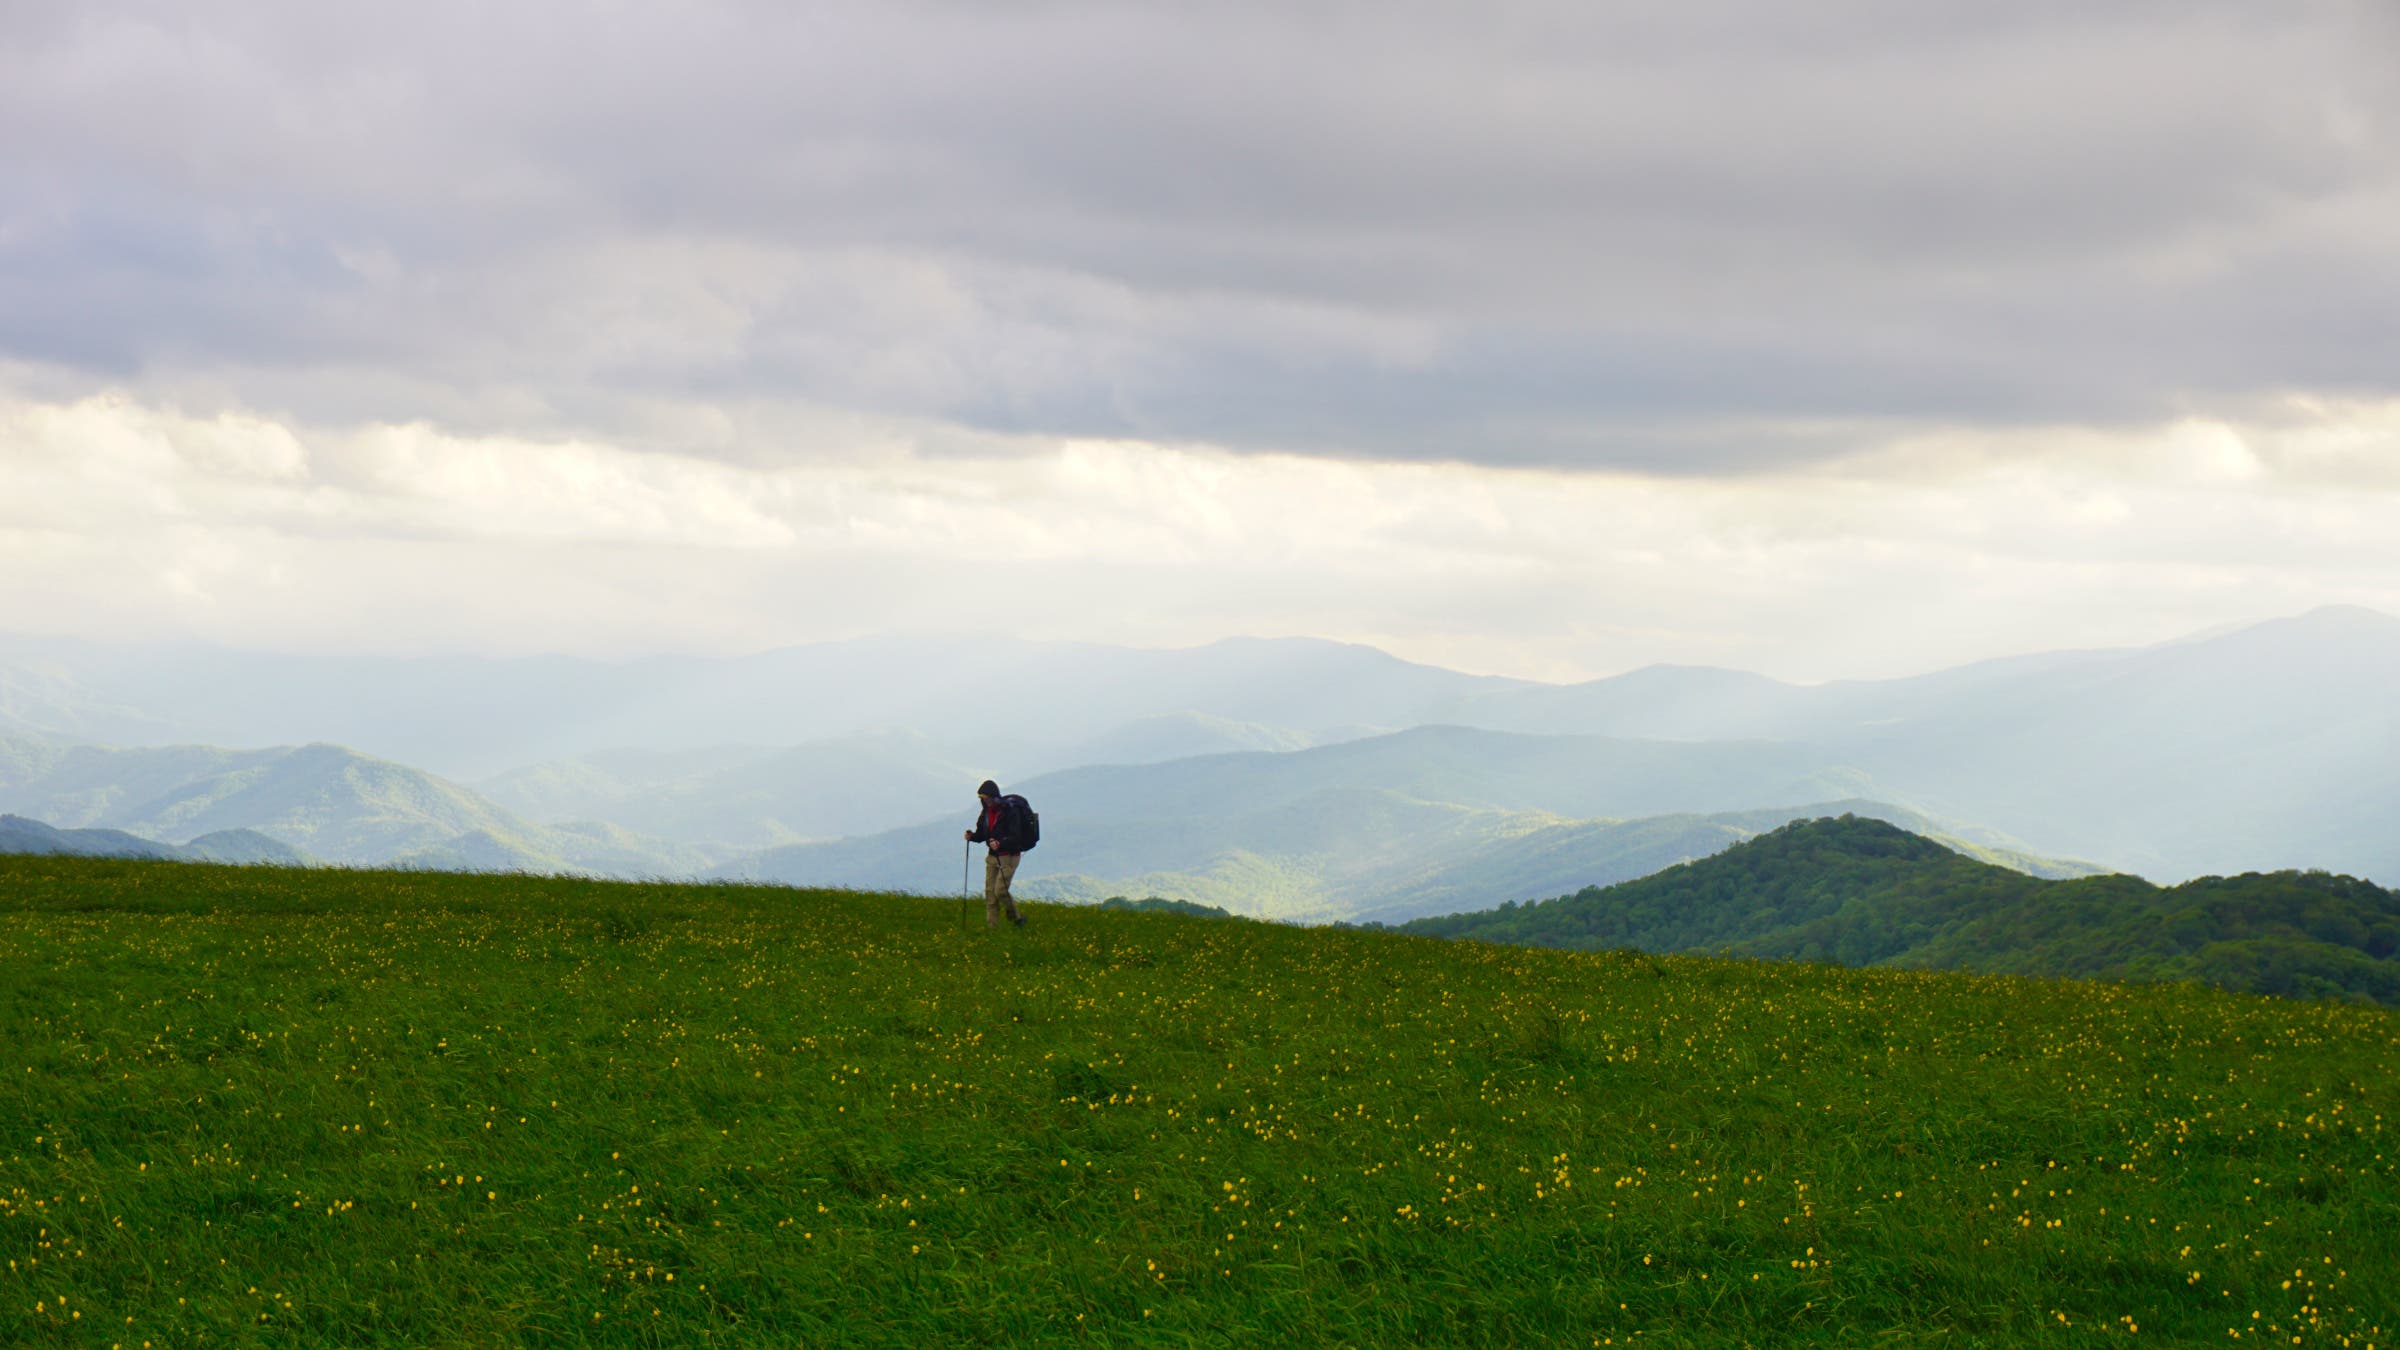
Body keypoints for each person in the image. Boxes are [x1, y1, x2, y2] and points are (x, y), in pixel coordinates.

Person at [965, 780, 1028, 929]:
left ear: (994, 797)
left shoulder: (1009, 810)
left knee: (1000, 890)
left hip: (1009, 856)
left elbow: (1016, 836)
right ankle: (992, 928)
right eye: (983, 799)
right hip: (992, 856)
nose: (986, 801)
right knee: (990, 893)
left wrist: (1001, 843)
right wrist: (972, 836)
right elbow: (982, 834)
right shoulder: (986, 813)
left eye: (987, 798)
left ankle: (1017, 917)